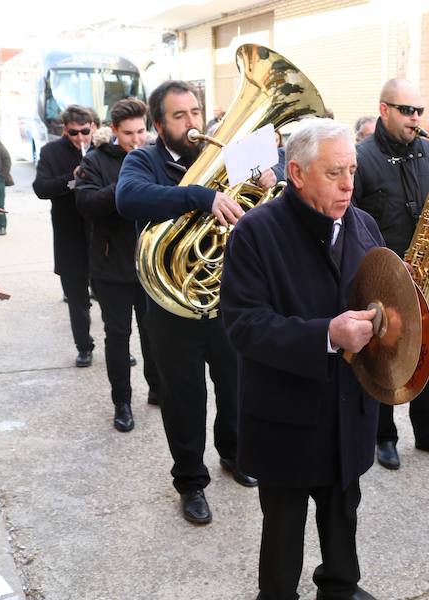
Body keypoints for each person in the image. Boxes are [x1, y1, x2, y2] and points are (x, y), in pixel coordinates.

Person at [220, 118, 381, 600]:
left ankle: (340, 587)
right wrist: (326, 335)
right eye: (334, 173)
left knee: (343, 512)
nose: (349, 184)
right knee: (284, 527)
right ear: (296, 172)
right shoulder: (255, 232)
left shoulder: (364, 225)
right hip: (285, 415)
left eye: (352, 170)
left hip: (348, 408)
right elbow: (243, 325)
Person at [116, 81, 256, 525]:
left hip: (224, 295)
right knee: (184, 397)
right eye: (180, 116)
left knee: (234, 384)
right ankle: (191, 482)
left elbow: (268, 200)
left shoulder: (224, 151)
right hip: (171, 302)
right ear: (159, 124)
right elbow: (128, 198)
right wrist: (202, 196)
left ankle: (233, 454)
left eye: (195, 112)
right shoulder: (145, 159)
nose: (193, 122)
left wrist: (267, 177)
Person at [352, 78, 429, 470]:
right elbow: (349, 217)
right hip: (383, 277)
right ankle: (384, 436)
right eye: (407, 111)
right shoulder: (361, 157)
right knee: (384, 358)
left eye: (419, 111)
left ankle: (428, 432)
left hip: (423, 274)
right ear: (384, 110)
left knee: (427, 354)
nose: (415, 118)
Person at [75, 98, 161, 433]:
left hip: (152, 265)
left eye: (141, 131)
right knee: (118, 337)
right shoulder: (96, 160)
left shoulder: (156, 157)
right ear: (114, 131)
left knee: (154, 333)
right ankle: (122, 402)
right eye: (128, 134)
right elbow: (85, 203)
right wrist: (125, 186)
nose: (136, 140)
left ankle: (156, 387)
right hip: (111, 265)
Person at [32, 105, 97, 367]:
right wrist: (71, 180)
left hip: (102, 234)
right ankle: (84, 346)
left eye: (85, 131)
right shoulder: (51, 152)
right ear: (64, 129)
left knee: (114, 299)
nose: (81, 138)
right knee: (77, 298)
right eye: (74, 132)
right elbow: (40, 188)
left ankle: (119, 347)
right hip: (70, 234)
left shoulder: (102, 149)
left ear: (93, 126)